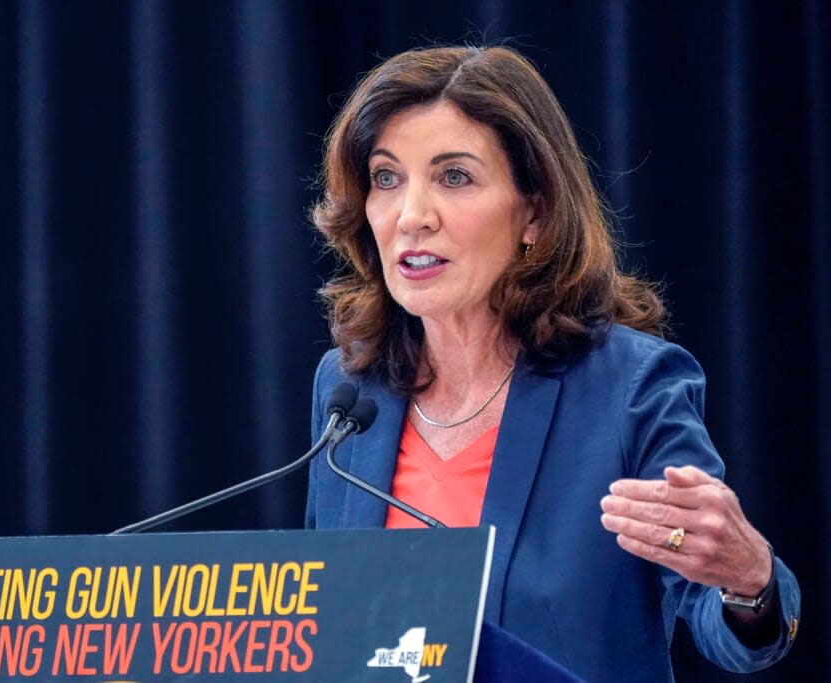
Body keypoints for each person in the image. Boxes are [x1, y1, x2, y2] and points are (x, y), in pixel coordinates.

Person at [304, 45, 800, 682]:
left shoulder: (631, 388)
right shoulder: (348, 390)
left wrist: (748, 582)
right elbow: (326, 620)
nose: (411, 216)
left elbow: (716, 611)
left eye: (454, 177)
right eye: (386, 177)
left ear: (533, 212)